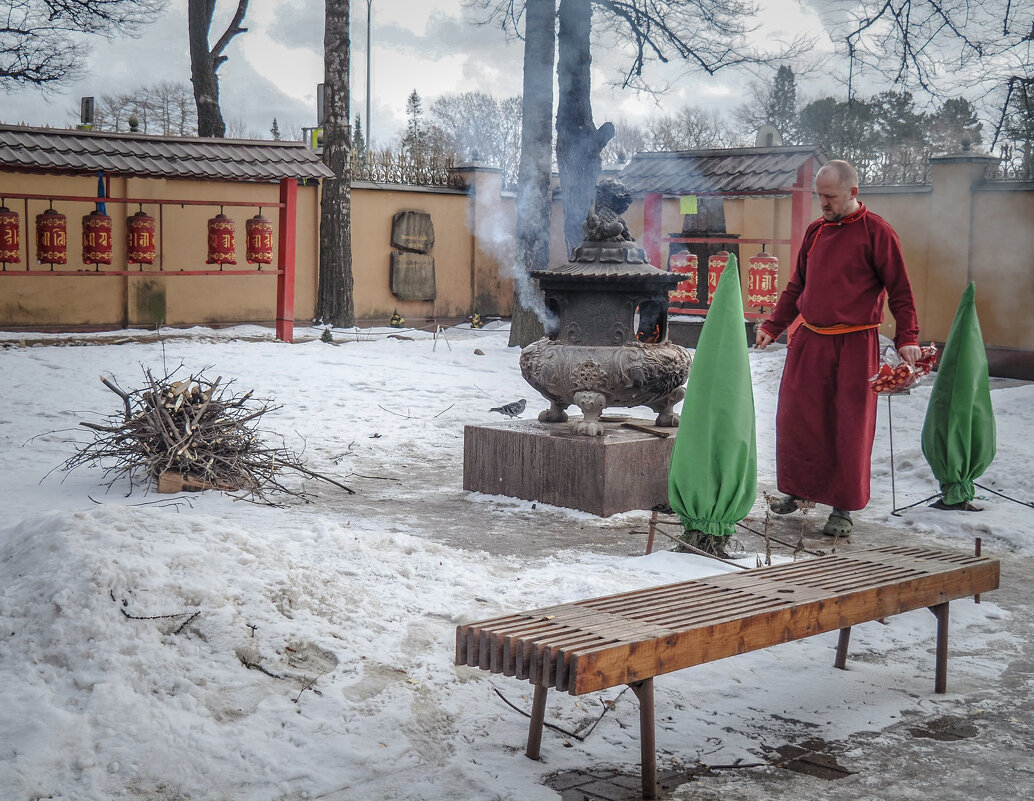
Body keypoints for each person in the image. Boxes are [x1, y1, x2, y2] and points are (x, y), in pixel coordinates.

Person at [755, 160, 921, 536]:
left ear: (853, 193)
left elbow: (901, 292)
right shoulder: (815, 232)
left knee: (848, 426)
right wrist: (773, 325)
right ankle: (798, 491)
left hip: (855, 343)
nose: (822, 204)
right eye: (819, 196)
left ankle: (842, 508)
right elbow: (797, 286)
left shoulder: (877, 232)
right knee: (798, 419)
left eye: (829, 197)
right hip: (810, 341)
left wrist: (907, 337)